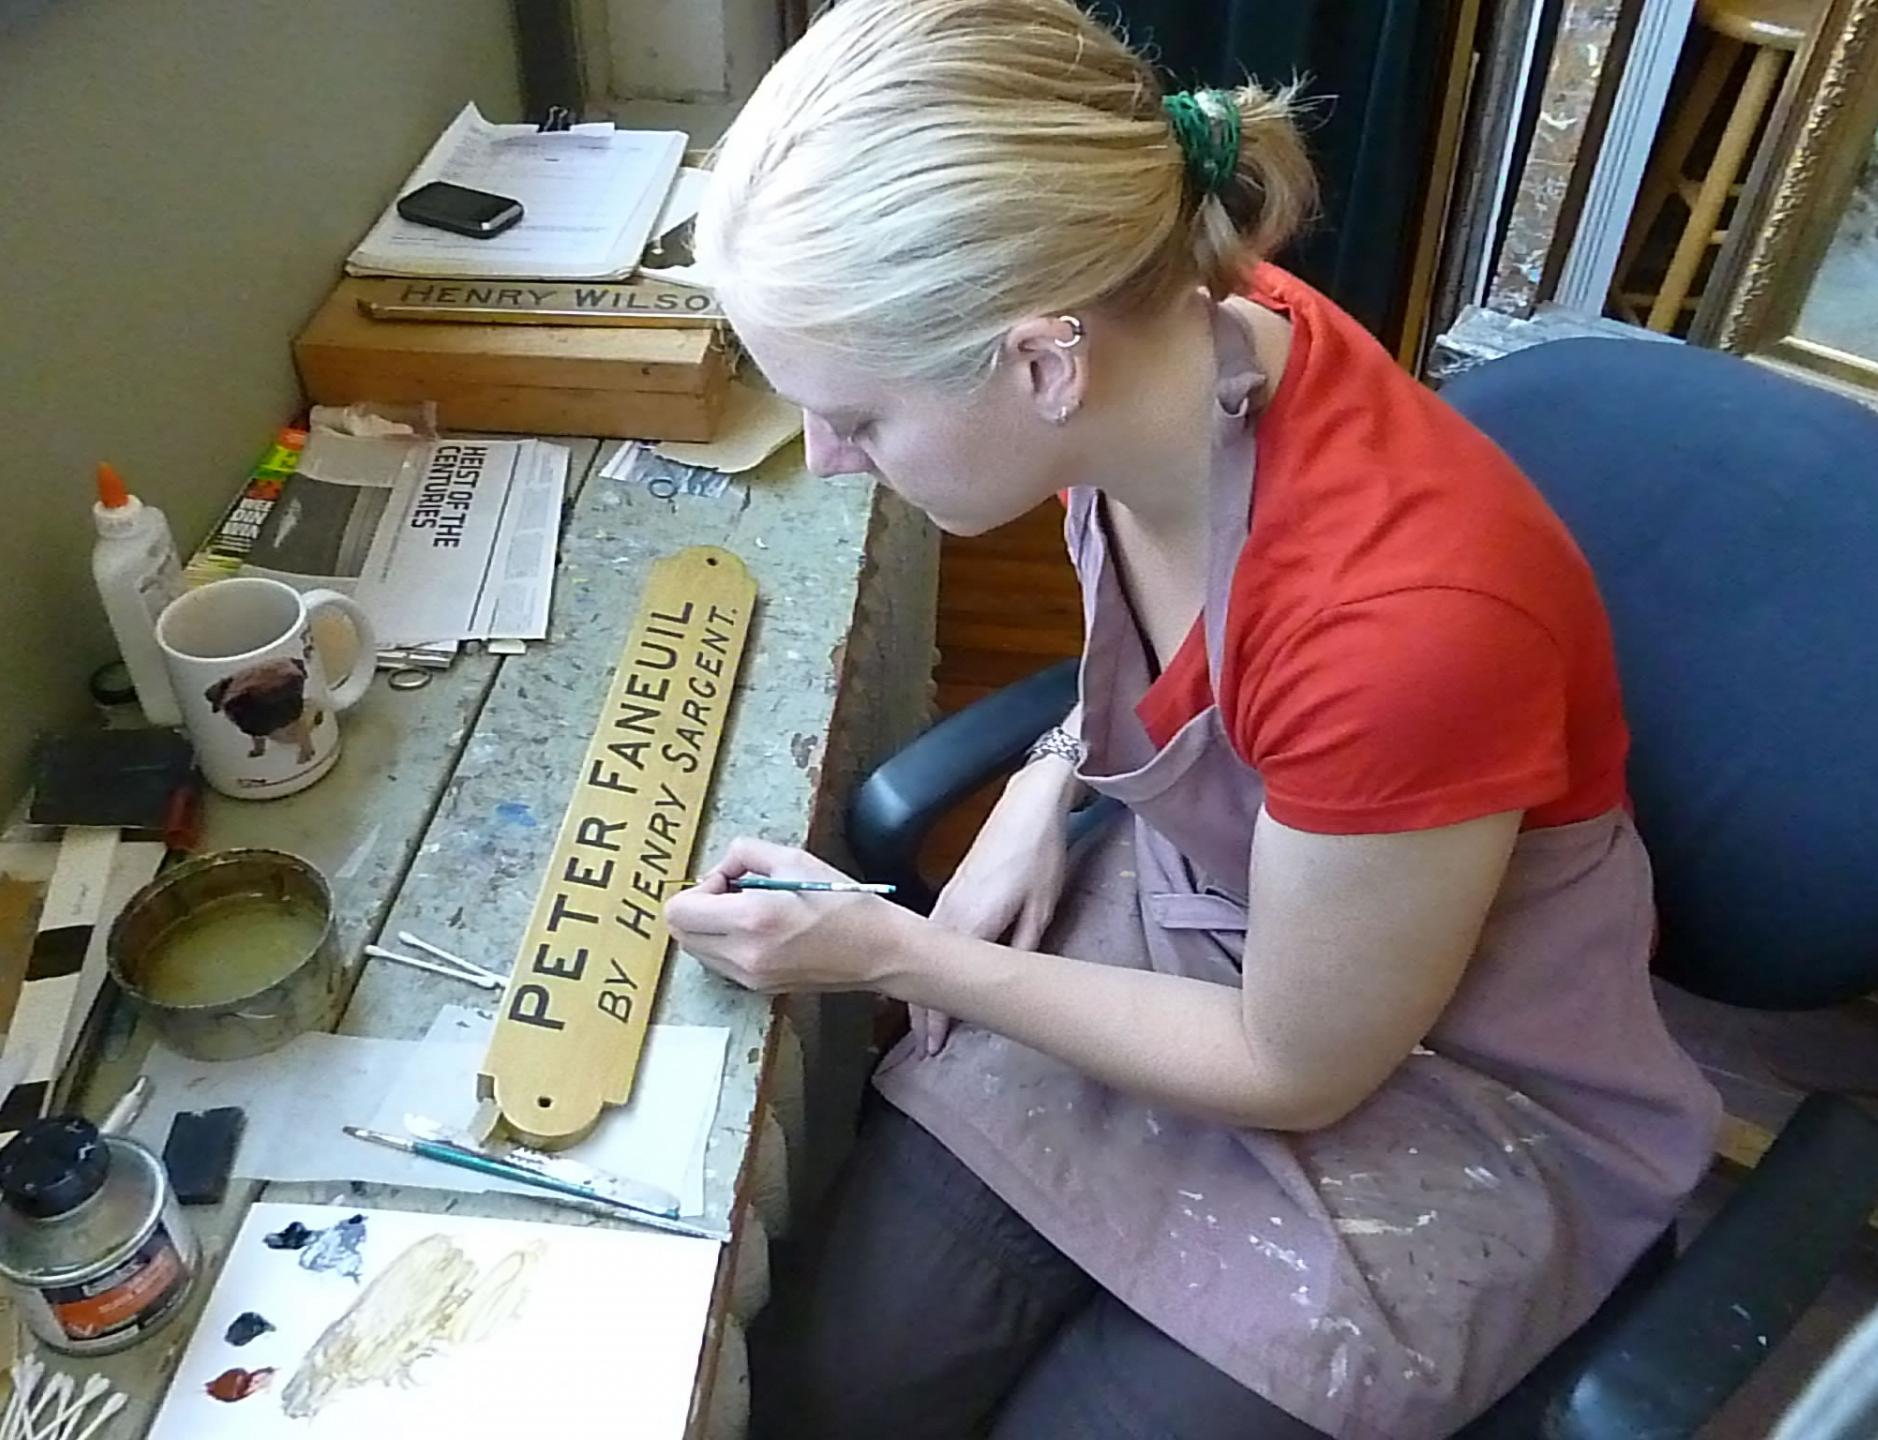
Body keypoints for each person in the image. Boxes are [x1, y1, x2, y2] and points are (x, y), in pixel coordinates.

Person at [662, 2, 1722, 1435]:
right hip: (1219, 906)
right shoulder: (1168, 335)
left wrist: (889, 953)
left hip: (1443, 1075)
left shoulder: (1403, 630)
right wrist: (1051, 777)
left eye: (858, 415)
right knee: (837, 1391)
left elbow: (1298, 1064)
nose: (834, 461)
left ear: (1042, 364)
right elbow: (1178, 653)